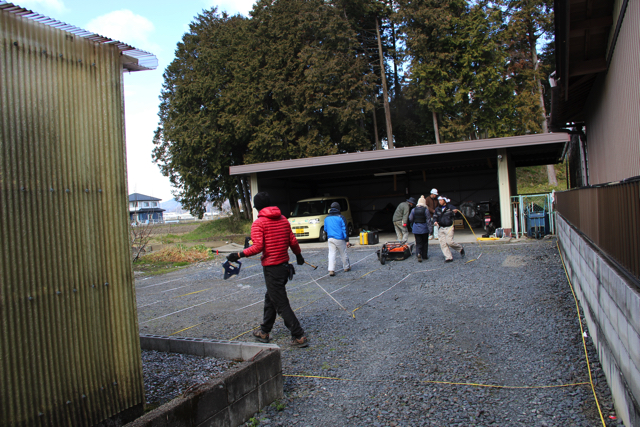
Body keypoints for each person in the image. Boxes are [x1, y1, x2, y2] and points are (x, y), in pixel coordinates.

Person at [226, 192, 308, 348]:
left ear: (257, 207)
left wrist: (238, 254)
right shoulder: (283, 219)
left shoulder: (259, 223)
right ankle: (264, 332)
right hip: (284, 267)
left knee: (281, 304)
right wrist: (298, 256)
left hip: (272, 269)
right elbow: (292, 241)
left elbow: (258, 247)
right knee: (271, 298)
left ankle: (298, 335)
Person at [433, 196, 465, 263]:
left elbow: (459, 215)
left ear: (444, 200)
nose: (440, 202)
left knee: (449, 242)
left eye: (441, 200)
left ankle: (460, 248)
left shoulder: (450, 207)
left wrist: (456, 212)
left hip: (449, 227)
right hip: (441, 228)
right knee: (443, 243)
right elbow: (435, 216)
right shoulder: (437, 209)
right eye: (439, 200)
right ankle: (448, 257)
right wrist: (435, 221)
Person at [324, 202, 351, 276]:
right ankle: (346, 267)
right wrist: (347, 240)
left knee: (331, 254)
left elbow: (325, 229)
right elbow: (344, 229)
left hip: (330, 238)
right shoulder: (341, 217)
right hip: (339, 239)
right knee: (343, 253)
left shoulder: (327, 218)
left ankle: (331, 270)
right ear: (338, 209)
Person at [409, 196, 432, 262]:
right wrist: (430, 230)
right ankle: (424, 256)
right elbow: (428, 221)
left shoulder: (413, 210)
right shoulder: (426, 210)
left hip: (416, 229)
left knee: (418, 242)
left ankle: (418, 253)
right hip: (424, 229)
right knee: (425, 242)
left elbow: (410, 219)